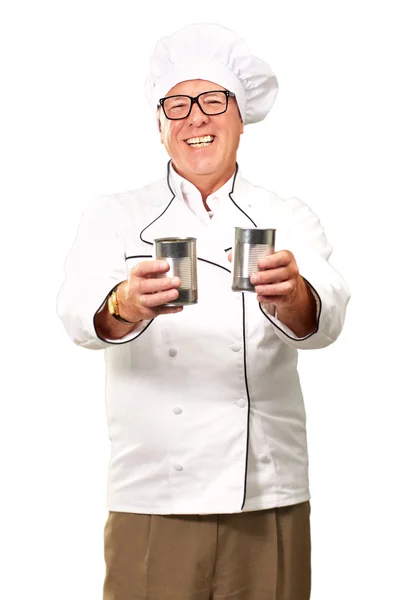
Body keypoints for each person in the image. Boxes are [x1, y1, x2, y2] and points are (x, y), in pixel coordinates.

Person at [57, 22, 350, 600]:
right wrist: (123, 303)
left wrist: (293, 293)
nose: (196, 117)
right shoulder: (115, 214)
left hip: (267, 495)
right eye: (177, 104)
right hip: (153, 497)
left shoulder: (284, 214)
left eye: (214, 100)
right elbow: (75, 313)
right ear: (160, 124)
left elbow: (329, 313)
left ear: (240, 118)